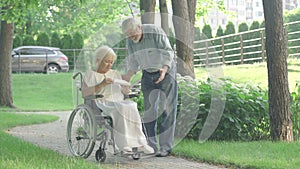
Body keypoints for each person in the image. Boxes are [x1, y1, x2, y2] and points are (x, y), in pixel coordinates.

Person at [82, 45, 154, 154]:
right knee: (123, 108)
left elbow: (123, 92)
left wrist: (125, 89)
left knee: (132, 106)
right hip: (103, 102)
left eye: (111, 62)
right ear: (98, 60)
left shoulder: (115, 73)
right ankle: (124, 144)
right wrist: (102, 84)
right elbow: (85, 93)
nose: (109, 65)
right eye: (106, 61)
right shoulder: (91, 74)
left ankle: (140, 143)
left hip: (119, 101)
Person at [121, 17, 178, 157]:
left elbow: (167, 51)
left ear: (140, 28)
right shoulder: (130, 39)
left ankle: (165, 147)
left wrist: (164, 70)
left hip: (166, 72)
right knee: (149, 111)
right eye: (128, 35)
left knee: (167, 109)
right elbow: (133, 60)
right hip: (147, 73)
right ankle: (151, 146)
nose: (131, 37)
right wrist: (127, 77)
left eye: (133, 34)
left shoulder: (155, 32)